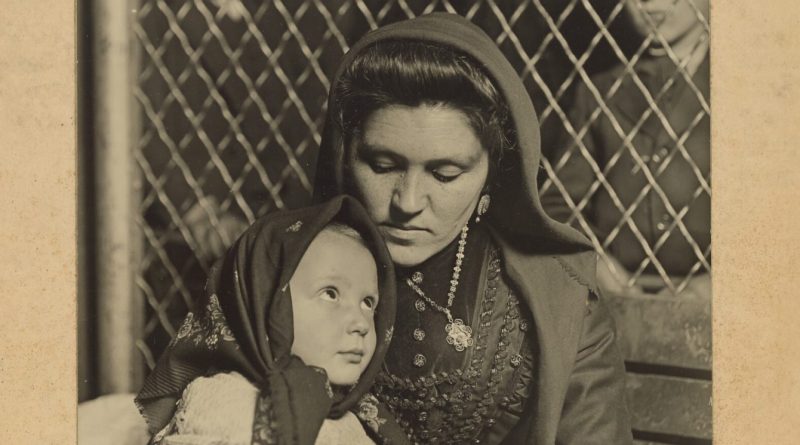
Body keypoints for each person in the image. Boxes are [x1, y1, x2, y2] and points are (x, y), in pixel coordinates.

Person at [313, 13, 632, 444]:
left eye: (444, 175)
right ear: (344, 156)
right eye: (382, 165)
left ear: (491, 176)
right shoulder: (283, 267)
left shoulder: (559, 302)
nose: (408, 202)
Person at [135, 196, 408, 445]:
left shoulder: (360, 416)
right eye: (330, 294)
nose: (361, 323)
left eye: (368, 303)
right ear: (266, 303)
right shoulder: (224, 400)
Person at [541, 0, 710, 297]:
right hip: (620, 292)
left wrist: (721, 283)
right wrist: (599, 268)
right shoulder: (600, 90)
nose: (651, 2)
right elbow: (559, 206)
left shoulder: (754, 87)